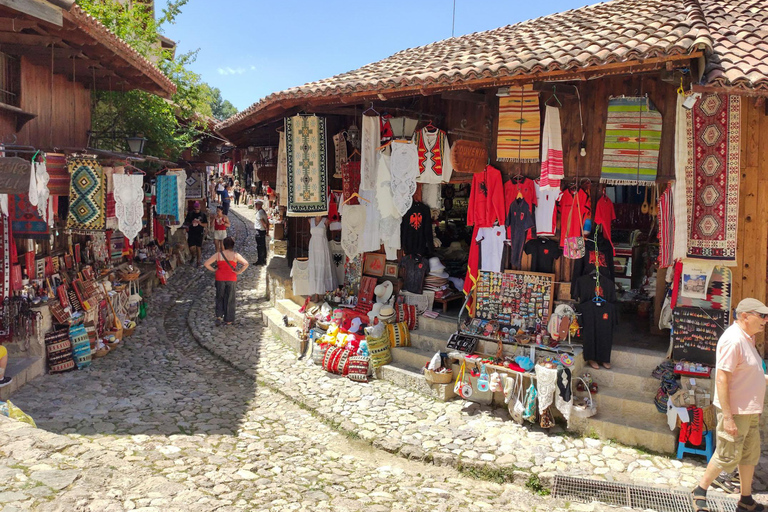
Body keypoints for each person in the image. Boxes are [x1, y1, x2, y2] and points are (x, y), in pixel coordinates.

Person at [691, 298, 768, 512]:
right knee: (727, 454)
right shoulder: (733, 340)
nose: (765, 320)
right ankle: (700, 490)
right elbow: (722, 378)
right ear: (745, 316)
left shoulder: (747, 338)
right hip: (735, 411)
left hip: (749, 411)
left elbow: (747, 372)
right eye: (761, 316)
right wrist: (728, 417)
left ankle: (745, 499)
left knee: (749, 455)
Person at [203, 237, 248, 326]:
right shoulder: (236, 255)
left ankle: (219, 316)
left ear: (224, 245)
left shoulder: (218, 255)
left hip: (220, 277)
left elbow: (206, 264)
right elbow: (246, 263)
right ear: (233, 245)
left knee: (220, 296)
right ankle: (229, 319)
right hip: (231, 278)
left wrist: (214, 270)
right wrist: (238, 272)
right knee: (230, 298)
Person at [184, 201, 208, 267]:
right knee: (191, 247)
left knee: (198, 247)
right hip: (191, 232)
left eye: (197, 209)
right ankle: (193, 255)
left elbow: (206, 224)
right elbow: (186, 223)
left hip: (199, 232)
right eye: (195, 209)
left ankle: (198, 261)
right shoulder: (190, 214)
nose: (196, 210)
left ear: (199, 208)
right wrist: (191, 222)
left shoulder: (203, 215)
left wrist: (200, 223)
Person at [254, 199, 269, 265]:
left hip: (259, 231)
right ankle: (263, 259)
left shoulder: (259, 213)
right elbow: (267, 221)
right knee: (263, 246)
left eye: (256, 205)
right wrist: (267, 230)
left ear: (258, 205)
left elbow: (263, 222)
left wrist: (266, 228)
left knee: (259, 246)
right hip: (262, 231)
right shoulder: (263, 212)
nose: (255, 206)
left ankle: (260, 260)